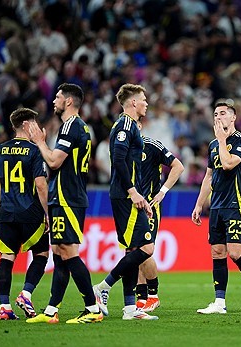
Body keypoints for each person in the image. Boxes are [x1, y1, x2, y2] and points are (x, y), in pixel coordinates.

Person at [25, 83, 102, 324]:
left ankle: (93, 308)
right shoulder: (79, 127)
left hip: (68, 196)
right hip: (64, 196)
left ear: (69, 101)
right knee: (58, 253)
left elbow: (55, 161)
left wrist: (39, 141)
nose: (54, 100)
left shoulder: (71, 126)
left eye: (58, 96)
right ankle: (51, 311)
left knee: (68, 252)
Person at [192, 101, 241, 315]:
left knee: (234, 252)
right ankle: (219, 303)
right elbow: (209, 175)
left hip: (236, 203)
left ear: (233, 117)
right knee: (217, 252)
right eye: (215, 114)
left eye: (223, 113)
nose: (218, 117)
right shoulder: (214, 144)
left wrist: (223, 139)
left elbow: (228, 164)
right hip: (216, 205)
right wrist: (199, 204)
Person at [92, 84, 158, 321]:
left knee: (132, 249)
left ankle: (130, 309)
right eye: (143, 99)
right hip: (124, 194)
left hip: (130, 194)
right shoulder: (124, 126)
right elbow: (118, 160)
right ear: (132, 103)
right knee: (146, 248)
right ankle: (102, 287)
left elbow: (129, 164)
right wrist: (132, 191)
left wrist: (140, 196)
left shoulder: (130, 127)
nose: (146, 103)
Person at [0, 108, 49, 320]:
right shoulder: (34, 151)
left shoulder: (0, 150)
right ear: (25, 125)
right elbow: (41, 186)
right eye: (33, 123)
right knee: (41, 254)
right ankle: (26, 293)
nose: (36, 128)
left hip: (7, 213)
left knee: (7, 257)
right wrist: (47, 213)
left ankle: (4, 306)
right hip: (30, 212)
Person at [135, 120, 185, 312]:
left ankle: (153, 296)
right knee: (134, 253)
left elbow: (178, 166)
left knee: (145, 251)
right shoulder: (122, 149)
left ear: (139, 127)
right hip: (132, 208)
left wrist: (163, 190)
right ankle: (141, 299)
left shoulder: (152, 146)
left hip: (150, 206)